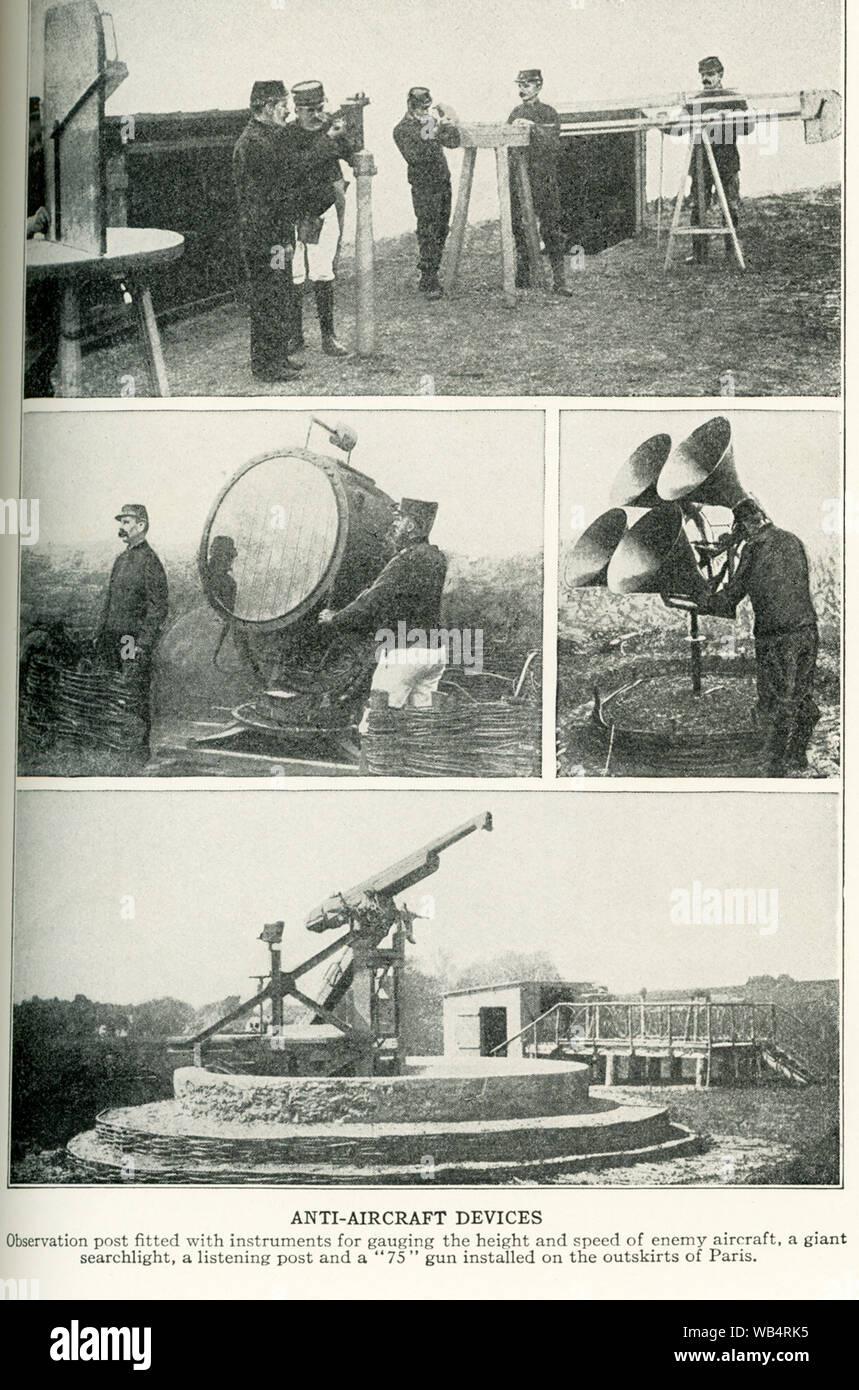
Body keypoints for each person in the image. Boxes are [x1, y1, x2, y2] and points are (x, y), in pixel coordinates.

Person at [692, 499, 820, 777]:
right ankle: (798, 756)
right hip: (807, 631)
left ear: (745, 525)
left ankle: (773, 767)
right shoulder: (792, 540)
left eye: (740, 528)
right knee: (802, 695)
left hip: (776, 637)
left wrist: (702, 598)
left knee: (775, 702)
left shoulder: (754, 548)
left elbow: (731, 598)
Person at [317, 498, 448, 731]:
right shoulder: (437, 558)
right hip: (434, 653)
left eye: (399, 519)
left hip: (404, 652)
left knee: (376, 723)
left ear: (411, 526)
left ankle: (372, 766)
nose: (394, 524)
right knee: (421, 726)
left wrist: (335, 618)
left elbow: (372, 599)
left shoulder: (406, 559)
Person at [232, 80, 303, 382]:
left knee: (279, 294)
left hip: (273, 236)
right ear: (266, 106)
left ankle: (278, 357)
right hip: (266, 240)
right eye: (282, 104)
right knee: (268, 298)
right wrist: (280, 241)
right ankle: (267, 365)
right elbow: (263, 202)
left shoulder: (266, 138)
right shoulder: (256, 144)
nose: (287, 110)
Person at [94, 504, 169, 763]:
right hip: (111, 637)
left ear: (141, 526)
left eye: (127, 522)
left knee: (132, 689)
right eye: (122, 522)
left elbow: (158, 609)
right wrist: (100, 632)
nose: (122, 528)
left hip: (130, 639)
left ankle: (137, 750)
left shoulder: (150, 561)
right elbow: (109, 600)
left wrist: (142, 644)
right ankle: (114, 745)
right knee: (110, 687)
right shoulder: (121, 560)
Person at [287, 80, 356, 358]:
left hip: (323, 211)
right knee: (293, 275)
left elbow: (351, 153)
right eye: (309, 110)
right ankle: (295, 335)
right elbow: (298, 164)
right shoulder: (287, 135)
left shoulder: (330, 125)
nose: (316, 115)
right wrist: (329, 139)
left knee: (323, 273)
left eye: (319, 108)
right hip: (293, 214)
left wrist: (346, 136)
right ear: (296, 109)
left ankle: (328, 335)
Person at [507, 68, 571, 296]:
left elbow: (553, 144)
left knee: (552, 228)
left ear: (539, 86)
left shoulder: (549, 113)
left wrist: (531, 128)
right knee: (520, 226)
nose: (521, 90)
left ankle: (560, 280)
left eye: (526, 85)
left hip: (544, 178)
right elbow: (509, 147)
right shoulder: (514, 113)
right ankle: (523, 275)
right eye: (520, 85)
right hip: (521, 179)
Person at [393, 87, 461, 299]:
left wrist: (450, 124)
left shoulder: (430, 123)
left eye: (427, 108)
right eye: (421, 108)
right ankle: (428, 276)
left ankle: (433, 272)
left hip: (442, 181)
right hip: (424, 186)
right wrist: (434, 131)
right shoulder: (402, 129)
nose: (425, 111)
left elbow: (453, 143)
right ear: (410, 106)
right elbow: (417, 157)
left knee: (441, 228)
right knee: (427, 229)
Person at [686, 56, 751, 263]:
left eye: (710, 74)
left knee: (730, 207)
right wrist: (662, 122)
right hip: (701, 161)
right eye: (703, 75)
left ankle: (732, 252)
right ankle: (700, 254)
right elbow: (678, 126)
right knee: (699, 207)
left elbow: (748, 128)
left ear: (720, 75)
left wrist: (731, 117)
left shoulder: (733, 99)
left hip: (726, 160)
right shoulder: (695, 101)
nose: (706, 79)